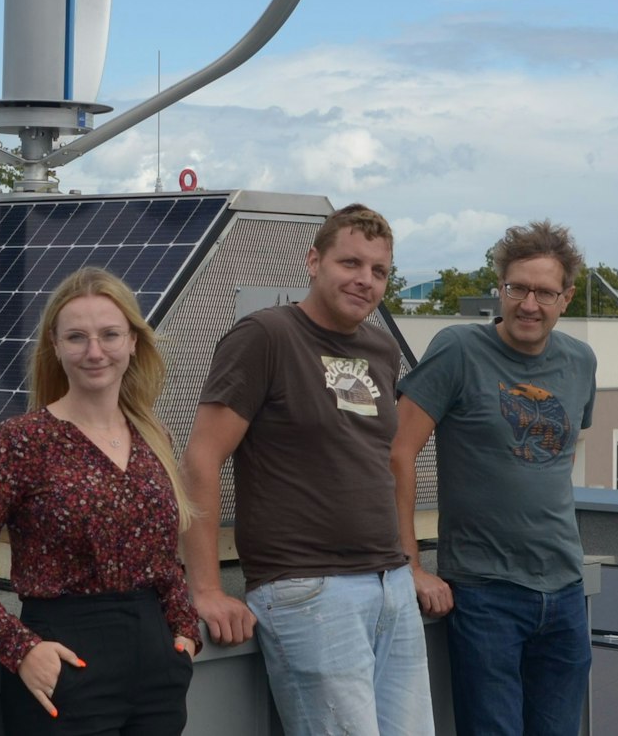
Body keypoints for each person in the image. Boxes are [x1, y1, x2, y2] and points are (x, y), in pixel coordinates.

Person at [182, 203, 433, 736]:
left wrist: (408, 566)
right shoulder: (264, 336)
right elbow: (200, 460)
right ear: (313, 261)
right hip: (309, 590)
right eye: (350, 263)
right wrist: (204, 589)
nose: (365, 280)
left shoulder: (381, 350)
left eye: (379, 271)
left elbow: (382, 461)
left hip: (390, 586)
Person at [0, 266, 200, 736]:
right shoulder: (19, 441)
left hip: (157, 671)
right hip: (66, 662)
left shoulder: (153, 437)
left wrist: (184, 634)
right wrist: (18, 647)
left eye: (110, 334)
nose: (95, 351)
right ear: (55, 347)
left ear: (133, 342)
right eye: (77, 337)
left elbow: (164, 558)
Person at [392, 220, 599, 736]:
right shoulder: (458, 350)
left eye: (545, 292)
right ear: (499, 289)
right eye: (518, 288)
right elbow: (394, 453)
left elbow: (562, 456)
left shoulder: (580, 361)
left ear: (566, 298)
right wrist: (410, 565)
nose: (530, 304)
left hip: (565, 589)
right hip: (486, 593)